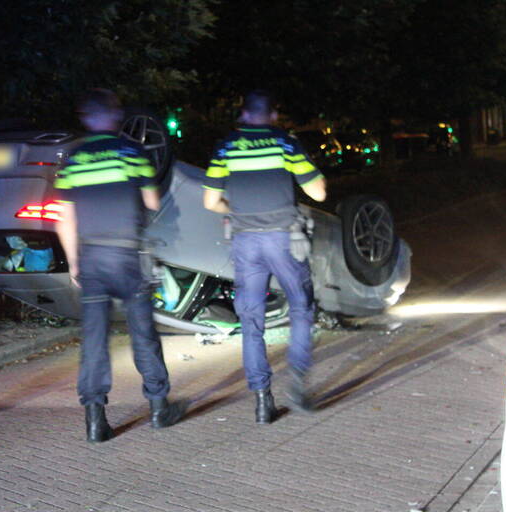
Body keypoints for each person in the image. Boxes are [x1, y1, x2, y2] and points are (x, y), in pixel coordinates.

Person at [54, 88, 183, 443]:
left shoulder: (74, 159)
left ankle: (95, 421)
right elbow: (152, 200)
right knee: (143, 333)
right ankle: (159, 407)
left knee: (94, 339)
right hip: (128, 255)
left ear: (85, 118)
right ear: (113, 117)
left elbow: (62, 217)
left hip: (92, 258)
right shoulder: (131, 151)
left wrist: (74, 262)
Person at [202, 90, 326, 424]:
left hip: (245, 242)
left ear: (242, 115)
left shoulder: (226, 146)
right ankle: (298, 383)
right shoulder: (285, 143)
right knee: (301, 306)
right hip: (283, 239)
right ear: (273, 115)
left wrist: (237, 211)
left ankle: (262, 400)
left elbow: (211, 202)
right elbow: (319, 191)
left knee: (251, 319)